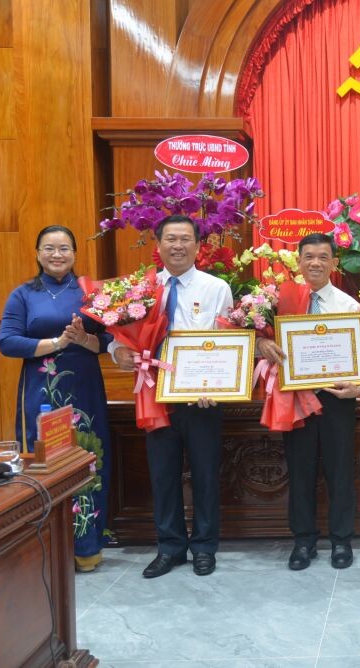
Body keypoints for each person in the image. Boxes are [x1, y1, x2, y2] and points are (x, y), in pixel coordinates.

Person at [111, 215, 233, 578]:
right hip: (155, 395)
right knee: (163, 475)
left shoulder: (216, 288)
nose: (177, 245)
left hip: (202, 398)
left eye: (185, 239)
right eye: (170, 239)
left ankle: (205, 547)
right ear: (158, 244)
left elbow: (230, 341)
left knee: (206, 475)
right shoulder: (141, 290)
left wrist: (217, 386)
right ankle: (170, 548)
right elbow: (119, 339)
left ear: (198, 245)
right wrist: (119, 353)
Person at [0, 225, 113, 572]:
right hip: (41, 387)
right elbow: (8, 342)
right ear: (37, 253)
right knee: (44, 458)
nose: (57, 254)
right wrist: (57, 343)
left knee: (90, 456)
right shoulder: (23, 294)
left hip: (85, 387)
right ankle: (45, 547)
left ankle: (86, 547)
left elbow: (111, 339)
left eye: (64, 248)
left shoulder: (92, 293)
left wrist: (83, 340)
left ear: (75, 254)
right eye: (49, 248)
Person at [255, 233, 360, 571]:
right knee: (300, 471)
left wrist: (359, 387)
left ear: (334, 263)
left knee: (340, 471)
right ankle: (303, 541)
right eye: (308, 257)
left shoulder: (348, 306)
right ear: (299, 261)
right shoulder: (278, 301)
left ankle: (341, 540)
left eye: (323, 257)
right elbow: (257, 339)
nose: (315, 263)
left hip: (336, 399)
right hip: (295, 398)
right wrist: (262, 344)